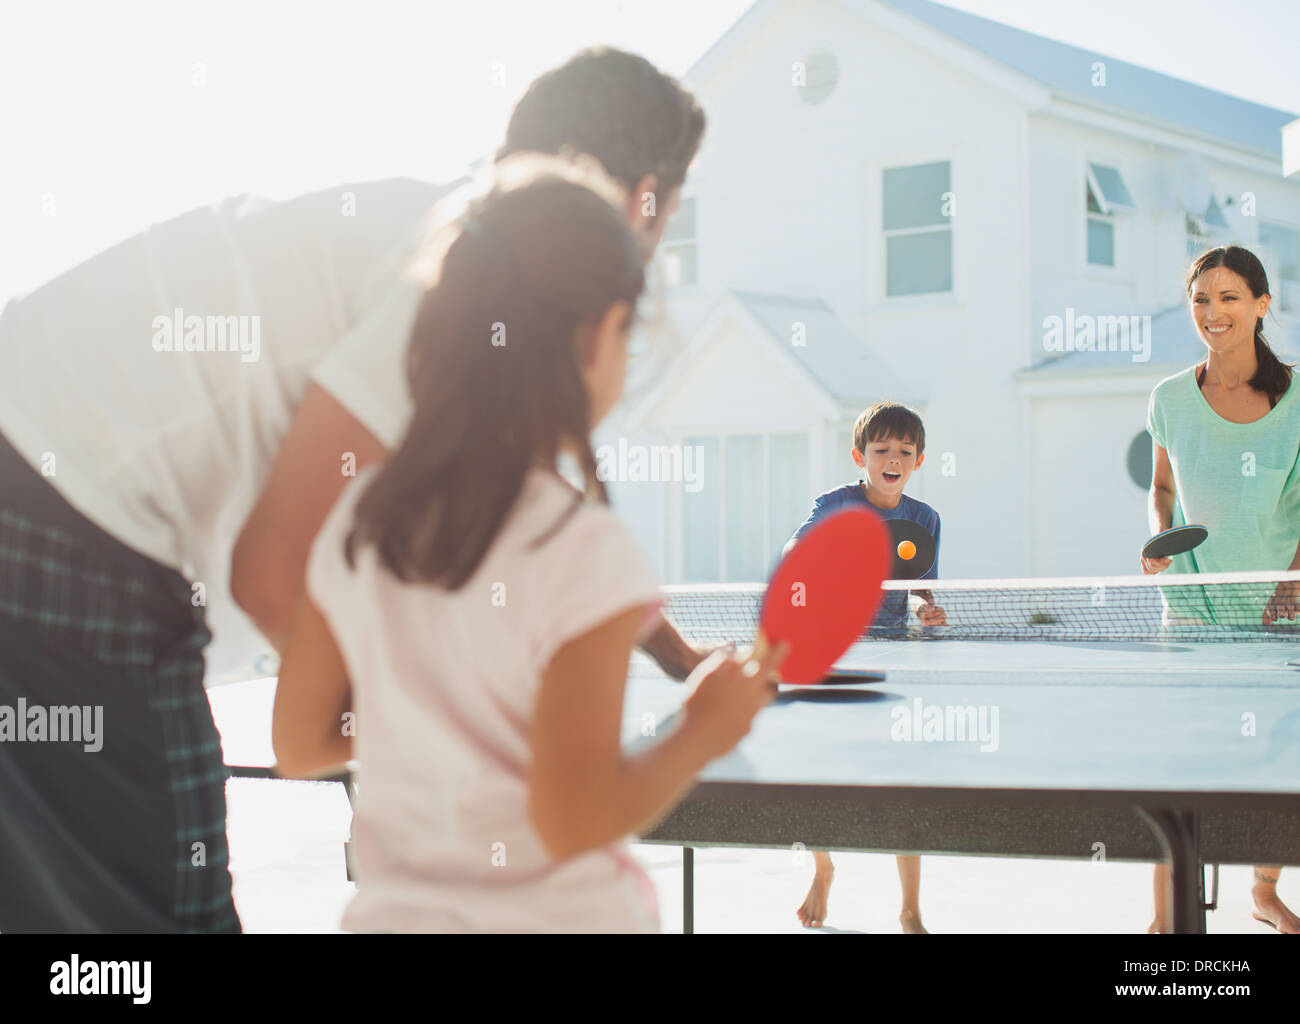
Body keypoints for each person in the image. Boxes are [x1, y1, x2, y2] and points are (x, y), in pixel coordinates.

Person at [0, 47, 709, 933]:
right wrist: (456, 729)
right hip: (53, 512)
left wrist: (677, 656)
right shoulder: (451, 280)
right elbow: (274, 573)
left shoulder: (466, 258)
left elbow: (515, 530)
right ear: (636, 199)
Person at [271, 156, 787, 932]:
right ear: (597, 336)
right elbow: (574, 819)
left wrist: (430, 728)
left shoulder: (357, 523)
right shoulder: (580, 551)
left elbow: (299, 743)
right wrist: (705, 729)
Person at [1143, 244, 1300, 934]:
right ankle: (1164, 918)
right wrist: (1157, 539)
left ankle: (1263, 890)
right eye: (1202, 299)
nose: (1213, 312)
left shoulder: (1297, 396)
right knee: (1178, 766)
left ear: (1262, 305)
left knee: (1281, 764)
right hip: (1191, 608)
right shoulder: (1170, 397)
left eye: (1230, 297)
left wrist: (1293, 585)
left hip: (1277, 608)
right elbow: (1162, 486)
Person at [785, 401, 945, 933]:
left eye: (904, 451)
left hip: (893, 654)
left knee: (907, 780)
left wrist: (926, 608)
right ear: (861, 456)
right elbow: (794, 553)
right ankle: (824, 869)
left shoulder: (925, 519)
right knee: (820, 773)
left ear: (919, 460)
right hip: (833, 653)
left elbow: (921, 588)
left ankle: (910, 909)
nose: (892, 459)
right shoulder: (833, 505)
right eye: (881, 450)